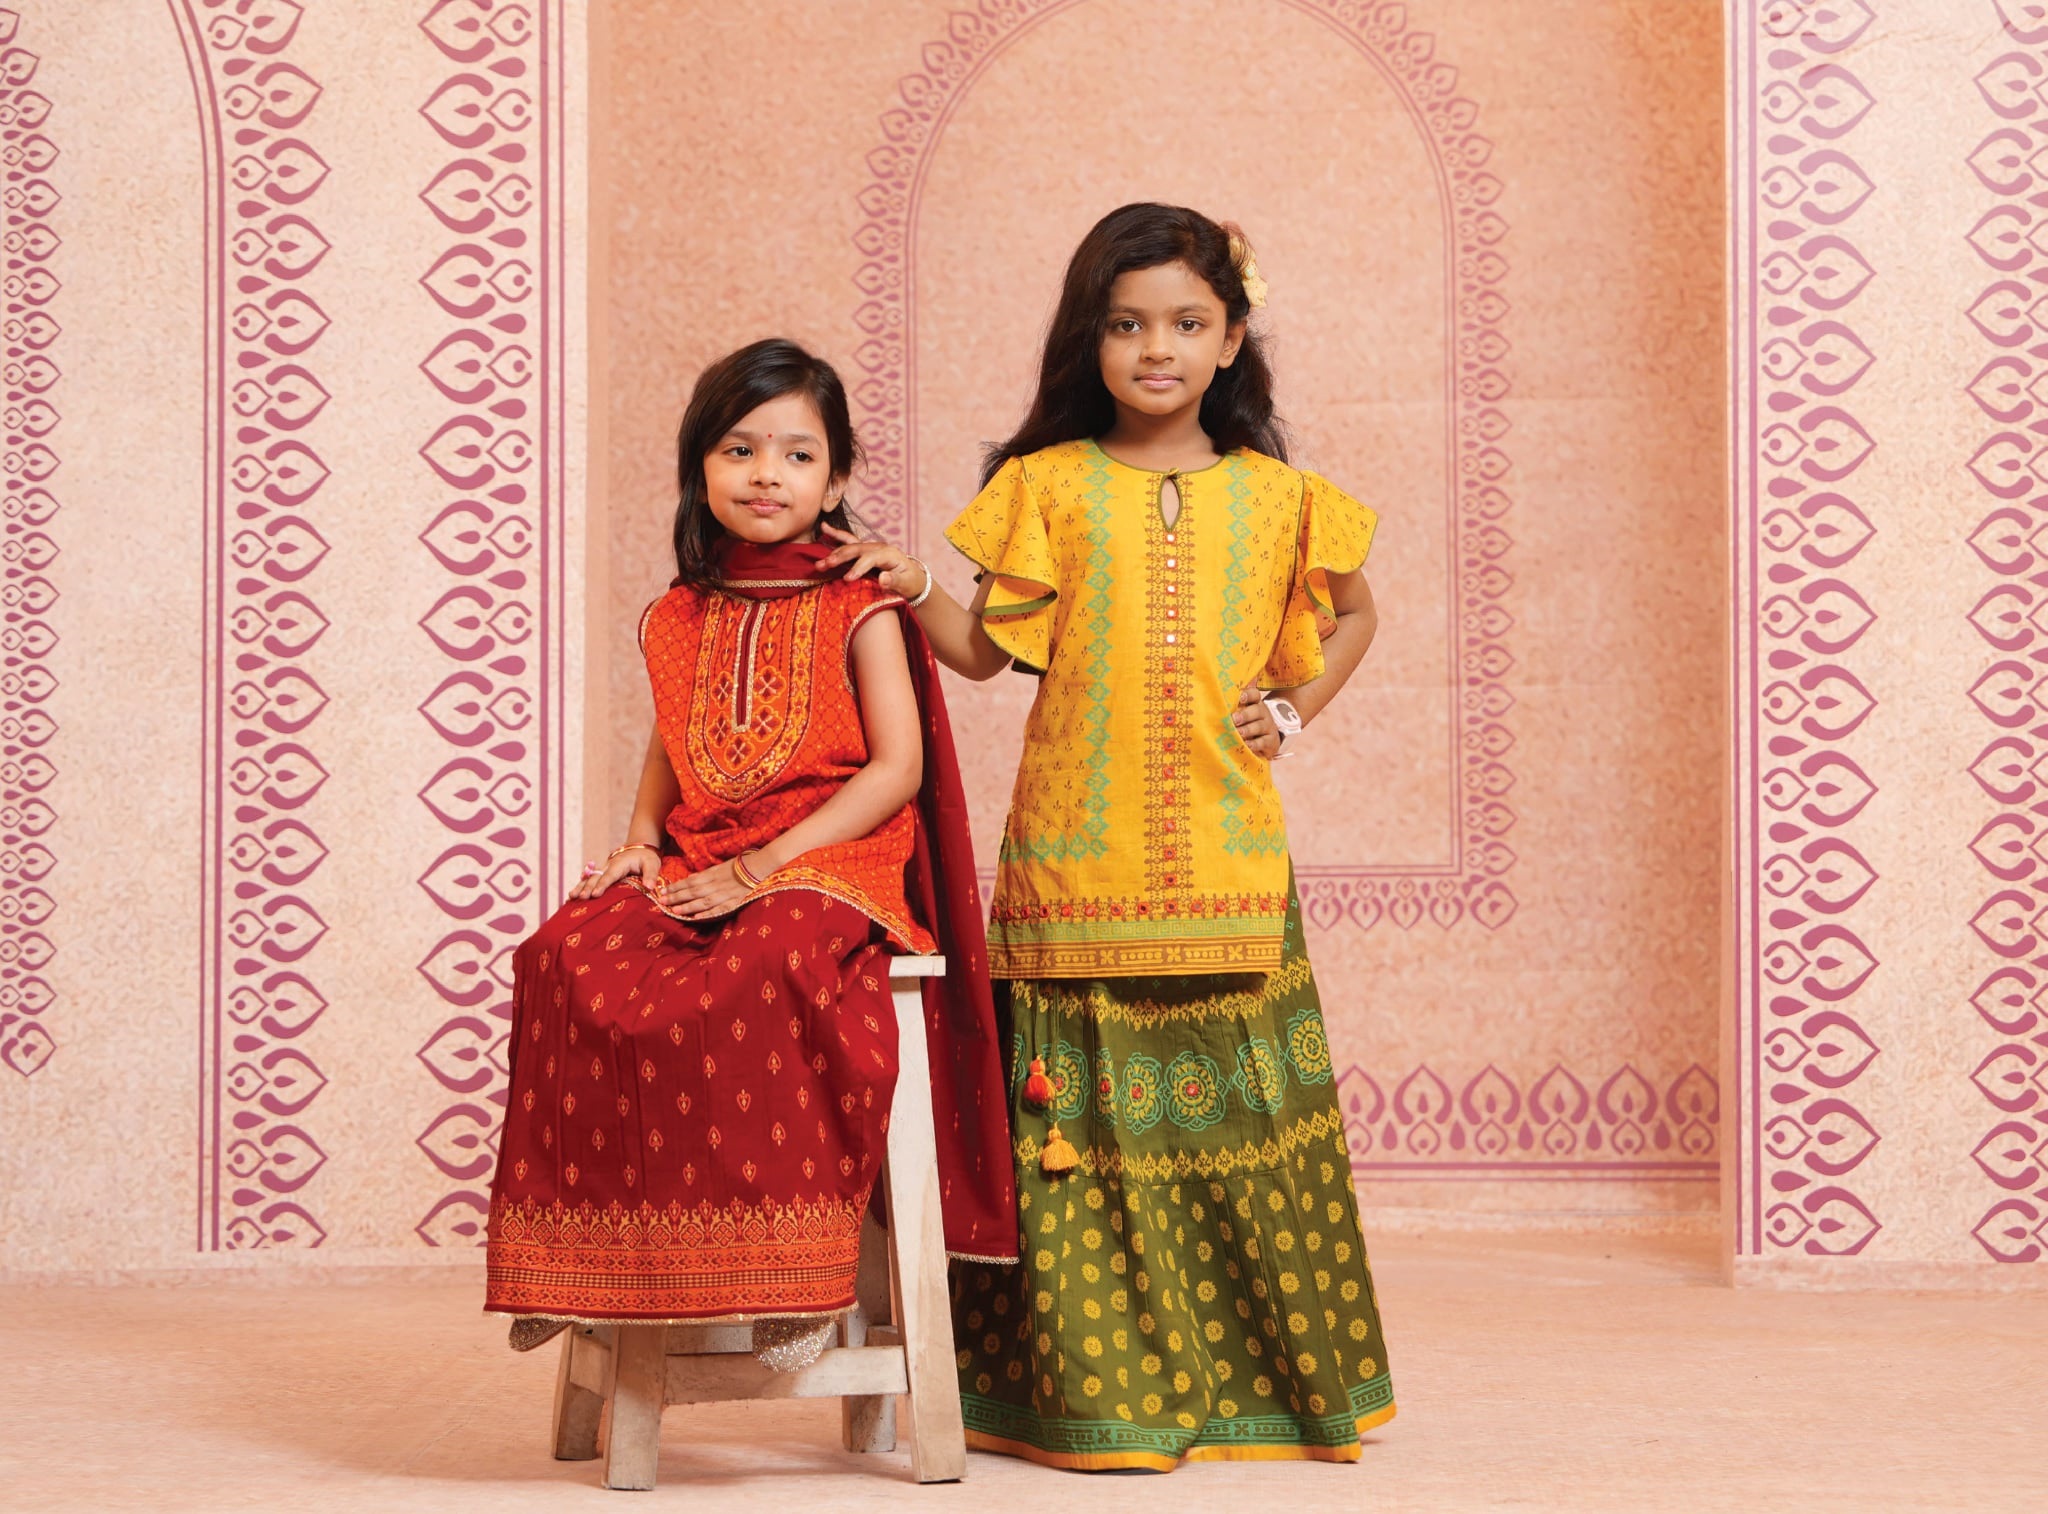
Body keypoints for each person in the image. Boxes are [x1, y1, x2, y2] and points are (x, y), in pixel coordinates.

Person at [821, 203, 1394, 1468]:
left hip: (1227, 861)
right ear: (1091, 339)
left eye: (1187, 323)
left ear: (1230, 338)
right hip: (1070, 863)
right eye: (1127, 324)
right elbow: (984, 656)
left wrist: (1292, 708)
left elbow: (1355, 613)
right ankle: (1089, 1403)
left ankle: (1260, 1393)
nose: (1157, 348)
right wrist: (914, 583)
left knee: (1236, 1133)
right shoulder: (1043, 486)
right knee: (1074, 1144)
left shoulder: (1282, 497)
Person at [484, 338, 1015, 1372]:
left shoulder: (860, 602)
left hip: (834, 856)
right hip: (702, 850)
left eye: (797, 454)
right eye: (739, 449)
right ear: (700, 467)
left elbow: (896, 770)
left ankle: (795, 1282)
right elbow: (671, 740)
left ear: (836, 478)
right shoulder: (679, 612)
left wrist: (767, 867)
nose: (767, 473)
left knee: (768, 958)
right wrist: (641, 843)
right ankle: (576, 1266)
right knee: (562, 953)